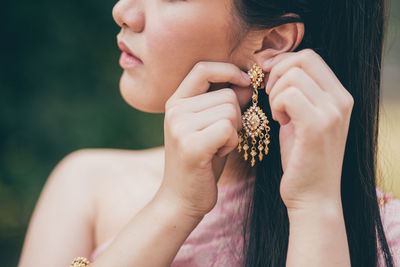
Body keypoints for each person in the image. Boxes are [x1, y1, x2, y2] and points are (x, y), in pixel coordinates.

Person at [18, 0, 400, 266]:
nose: (124, 11)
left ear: (271, 41)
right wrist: (174, 207)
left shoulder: (384, 233)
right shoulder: (86, 185)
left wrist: (314, 208)